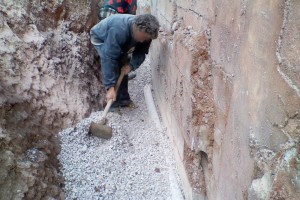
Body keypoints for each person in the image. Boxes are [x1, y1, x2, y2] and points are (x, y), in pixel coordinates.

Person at [90, 14, 159, 110]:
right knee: (115, 64)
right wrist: (110, 87)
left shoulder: (146, 34)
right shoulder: (119, 30)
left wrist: (131, 66)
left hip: (121, 39)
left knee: (123, 65)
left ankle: (123, 100)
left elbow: (141, 53)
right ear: (138, 29)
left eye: (146, 39)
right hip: (101, 37)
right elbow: (108, 58)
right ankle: (112, 101)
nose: (143, 41)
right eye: (143, 37)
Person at [98, 0, 138, 80]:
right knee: (119, 49)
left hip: (103, 12)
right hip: (113, 15)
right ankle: (118, 76)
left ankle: (109, 76)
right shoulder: (133, 2)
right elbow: (130, 19)